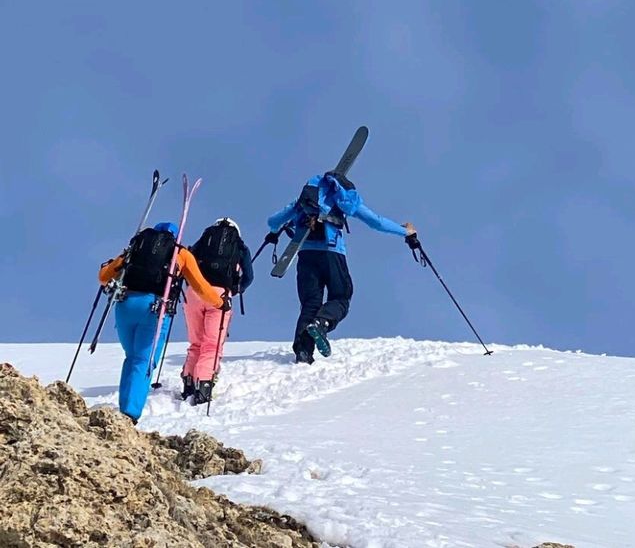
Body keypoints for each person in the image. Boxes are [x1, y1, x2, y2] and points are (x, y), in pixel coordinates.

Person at [267, 173, 416, 363]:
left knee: (310, 303)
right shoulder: (340, 198)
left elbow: (272, 221)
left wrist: (275, 232)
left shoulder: (302, 202)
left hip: (306, 255)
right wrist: (405, 231)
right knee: (341, 297)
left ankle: (303, 352)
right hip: (332, 253)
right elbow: (376, 222)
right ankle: (322, 322)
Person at [98, 221, 223, 423]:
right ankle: (130, 414)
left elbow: (104, 277)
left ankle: (125, 409)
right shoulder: (179, 253)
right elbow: (200, 287)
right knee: (143, 361)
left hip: (125, 305)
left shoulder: (136, 247)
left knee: (132, 358)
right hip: (154, 308)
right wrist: (219, 302)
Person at [181, 217, 253, 404]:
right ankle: (203, 385)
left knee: (195, 342)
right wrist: (235, 289)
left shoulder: (204, 240)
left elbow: (188, 262)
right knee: (212, 344)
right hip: (220, 296)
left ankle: (188, 382)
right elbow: (249, 277)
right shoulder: (240, 246)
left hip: (194, 292)